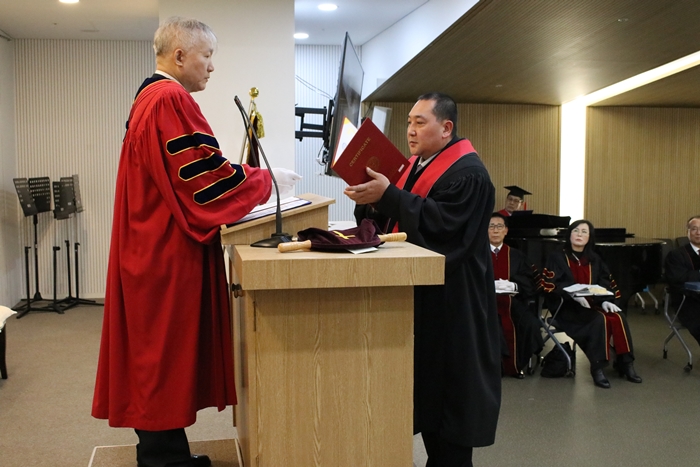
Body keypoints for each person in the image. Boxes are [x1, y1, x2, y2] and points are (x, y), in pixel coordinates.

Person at [91, 17, 298, 467]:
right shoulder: (169, 99)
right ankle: (163, 461)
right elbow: (203, 177)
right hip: (164, 250)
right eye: (207, 56)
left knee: (155, 356)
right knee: (161, 356)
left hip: (149, 243)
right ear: (180, 55)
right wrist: (266, 182)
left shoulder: (148, 98)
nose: (212, 66)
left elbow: (195, 171)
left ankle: (166, 454)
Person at [344, 92, 501, 466]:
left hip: (456, 306)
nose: (410, 130)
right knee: (430, 403)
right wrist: (372, 199)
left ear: (446, 128)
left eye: (420, 122)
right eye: (409, 122)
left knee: (450, 413)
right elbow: (397, 219)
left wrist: (389, 196)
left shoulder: (469, 174)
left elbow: (443, 230)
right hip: (425, 303)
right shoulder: (413, 165)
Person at [541, 219, 642, 389]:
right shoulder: (557, 257)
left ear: (589, 237)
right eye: (576, 231)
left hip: (592, 304)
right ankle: (597, 367)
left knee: (618, 317)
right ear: (569, 234)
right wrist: (571, 294)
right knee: (598, 320)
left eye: (584, 232)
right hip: (566, 308)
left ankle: (626, 363)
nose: (579, 234)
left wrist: (605, 300)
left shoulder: (594, 259)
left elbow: (604, 282)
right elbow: (550, 284)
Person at [488, 212, 543, 378]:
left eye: (499, 226)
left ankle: (518, 364)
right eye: (491, 226)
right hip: (485, 303)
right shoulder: (477, 254)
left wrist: (514, 285)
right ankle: (496, 367)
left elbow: (529, 282)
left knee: (530, 324)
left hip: (513, 302)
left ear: (506, 230)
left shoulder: (517, 255)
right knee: (492, 325)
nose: (495, 230)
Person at [663, 215, 700, 345]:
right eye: (694, 229)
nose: (698, 233)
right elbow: (678, 278)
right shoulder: (676, 255)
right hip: (687, 300)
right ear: (688, 231)